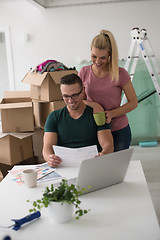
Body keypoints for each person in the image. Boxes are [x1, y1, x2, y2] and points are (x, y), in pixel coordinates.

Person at [78, 30, 138, 152]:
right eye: (94, 56)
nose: (97, 61)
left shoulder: (120, 73)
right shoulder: (84, 72)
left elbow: (133, 102)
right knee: (97, 168)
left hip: (119, 131)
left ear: (110, 55)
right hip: (94, 130)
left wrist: (111, 114)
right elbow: (78, 100)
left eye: (103, 58)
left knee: (116, 169)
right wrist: (94, 105)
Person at [43, 73, 114, 167]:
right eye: (66, 96)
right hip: (64, 166)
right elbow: (47, 148)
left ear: (83, 91)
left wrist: (104, 154)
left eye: (74, 95)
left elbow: (108, 145)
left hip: (91, 165)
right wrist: (50, 158)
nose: (70, 101)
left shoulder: (96, 115)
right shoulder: (54, 117)